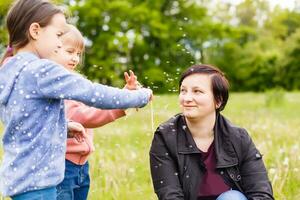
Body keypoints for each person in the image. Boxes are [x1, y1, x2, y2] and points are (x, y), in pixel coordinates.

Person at [0, 0, 152, 199]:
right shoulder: (41, 70)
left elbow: (20, 120)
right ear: (35, 31)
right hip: (40, 183)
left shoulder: (9, 69)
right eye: (58, 35)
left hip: (20, 179)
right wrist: (137, 97)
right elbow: (92, 93)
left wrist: (64, 126)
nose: (59, 43)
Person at [149, 64, 274, 200]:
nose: (187, 98)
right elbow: (169, 195)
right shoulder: (165, 137)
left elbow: (261, 193)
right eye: (183, 91)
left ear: (218, 100)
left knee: (232, 198)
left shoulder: (238, 138)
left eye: (197, 91)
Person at [48, 24, 139, 200]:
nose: (75, 58)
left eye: (78, 54)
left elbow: (98, 103)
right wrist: (122, 106)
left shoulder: (77, 82)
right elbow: (85, 116)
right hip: (63, 164)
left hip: (82, 165)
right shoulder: (57, 86)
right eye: (69, 51)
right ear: (52, 50)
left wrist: (125, 95)